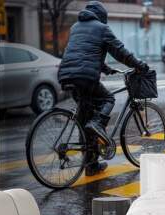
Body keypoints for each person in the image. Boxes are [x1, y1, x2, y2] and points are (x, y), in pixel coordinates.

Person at [58, 1, 149, 176]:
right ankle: (98, 124)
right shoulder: (101, 28)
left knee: (86, 119)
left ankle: (91, 165)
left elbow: (84, 53)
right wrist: (139, 65)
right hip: (85, 77)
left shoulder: (76, 27)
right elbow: (120, 52)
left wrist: (106, 68)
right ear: (102, 17)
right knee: (108, 99)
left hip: (66, 74)